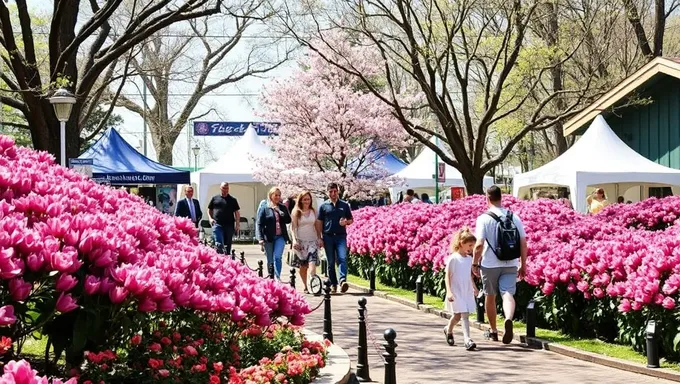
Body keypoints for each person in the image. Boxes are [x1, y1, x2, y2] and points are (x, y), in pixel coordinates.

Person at [472, 185, 527, 344]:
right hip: (510, 262)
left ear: (487, 198)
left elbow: (479, 244)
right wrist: (523, 264)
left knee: (490, 296)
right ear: (501, 197)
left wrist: (475, 264)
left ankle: (494, 331)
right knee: (507, 293)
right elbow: (523, 243)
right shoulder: (513, 216)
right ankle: (508, 318)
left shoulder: (484, 218)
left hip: (490, 263)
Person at [443, 227, 478, 350]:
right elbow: (447, 276)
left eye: (473, 246)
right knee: (464, 314)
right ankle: (467, 339)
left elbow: (469, 275)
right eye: (469, 245)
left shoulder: (469, 259)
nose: (471, 248)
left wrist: (474, 287)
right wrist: (449, 291)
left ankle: (448, 329)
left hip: (466, 289)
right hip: (456, 289)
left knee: (458, 316)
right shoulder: (453, 258)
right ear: (461, 244)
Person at [316, 183, 354, 294]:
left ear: (338, 192)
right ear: (327, 192)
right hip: (328, 237)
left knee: (342, 258)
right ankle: (333, 284)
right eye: (331, 191)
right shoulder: (323, 206)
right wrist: (320, 238)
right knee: (331, 262)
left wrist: (346, 222)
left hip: (341, 236)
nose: (333, 194)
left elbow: (351, 219)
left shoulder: (344, 205)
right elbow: (319, 222)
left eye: (335, 191)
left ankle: (342, 281)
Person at [291, 191, 323, 293]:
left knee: (312, 263)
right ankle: (305, 285)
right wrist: (294, 240)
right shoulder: (296, 211)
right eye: (304, 199)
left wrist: (319, 238)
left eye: (308, 199)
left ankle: (312, 283)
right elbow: (293, 228)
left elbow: (317, 226)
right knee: (303, 266)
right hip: (300, 241)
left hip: (312, 241)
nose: (306, 201)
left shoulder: (314, 211)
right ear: (300, 200)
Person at [257, 187, 291, 280]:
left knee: (277, 257)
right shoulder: (265, 208)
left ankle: (278, 277)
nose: (277, 197)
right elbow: (259, 224)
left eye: (279, 195)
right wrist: (260, 238)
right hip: (269, 237)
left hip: (280, 236)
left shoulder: (282, 207)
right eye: (275, 195)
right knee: (270, 259)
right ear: (271, 195)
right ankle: (271, 278)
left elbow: (288, 220)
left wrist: (279, 211)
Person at [207, 182, 240, 255]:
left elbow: (237, 212)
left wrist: (237, 224)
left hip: (229, 225)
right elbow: (209, 209)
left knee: (228, 244)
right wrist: (210, 218)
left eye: (227, 188)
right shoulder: (215, 198)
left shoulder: (232, 200)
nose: (225, 190)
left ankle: (227, 259)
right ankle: (220, 258)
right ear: (220, 188)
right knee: (219, 243)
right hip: (217, 224)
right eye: (224, 188)